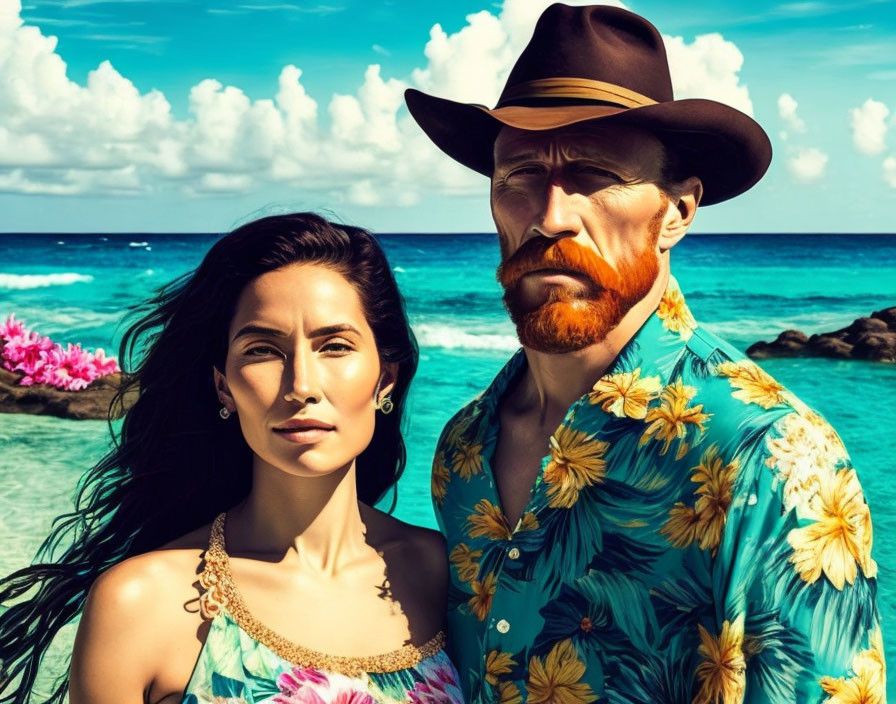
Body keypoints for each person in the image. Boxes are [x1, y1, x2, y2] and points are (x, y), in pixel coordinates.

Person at [405, 4, 883, 703]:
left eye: (594, 175)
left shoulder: (773, 458)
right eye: (519, 176)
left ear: (679, 212)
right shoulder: (463, 451)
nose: (550, 214)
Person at [0, 213, 464, 704]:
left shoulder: (441, 571)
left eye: (334, 346)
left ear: (385, 378)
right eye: (263, 350)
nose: (302, 386)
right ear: (224, 386)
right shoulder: (141, 603)